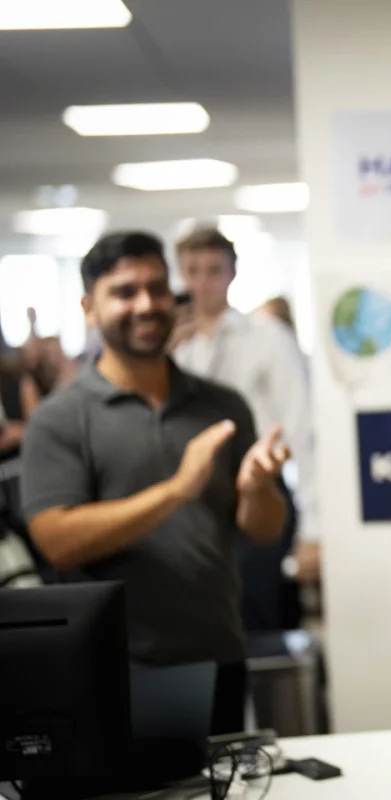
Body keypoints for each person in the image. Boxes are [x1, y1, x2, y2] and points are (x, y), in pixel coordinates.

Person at [19, 231, 290, 735]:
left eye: (157, 288)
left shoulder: (221, 405)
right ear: (89, 307)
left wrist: (258, 490)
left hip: (217, 655)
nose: (146, 304)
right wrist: (174, 491)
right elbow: (57, 540)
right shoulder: (61, 419)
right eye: (124, 292)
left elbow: (263, 531)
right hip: (113, 670)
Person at [172, 228, 321, 631]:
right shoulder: (171, 349)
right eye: (192, 271)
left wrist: (313, 528)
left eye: (213, 270)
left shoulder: (267, 338)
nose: (203, 282)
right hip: (191, 505)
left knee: (257, 621)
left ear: (231, 274)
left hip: (259, 494)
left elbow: (303, 429)